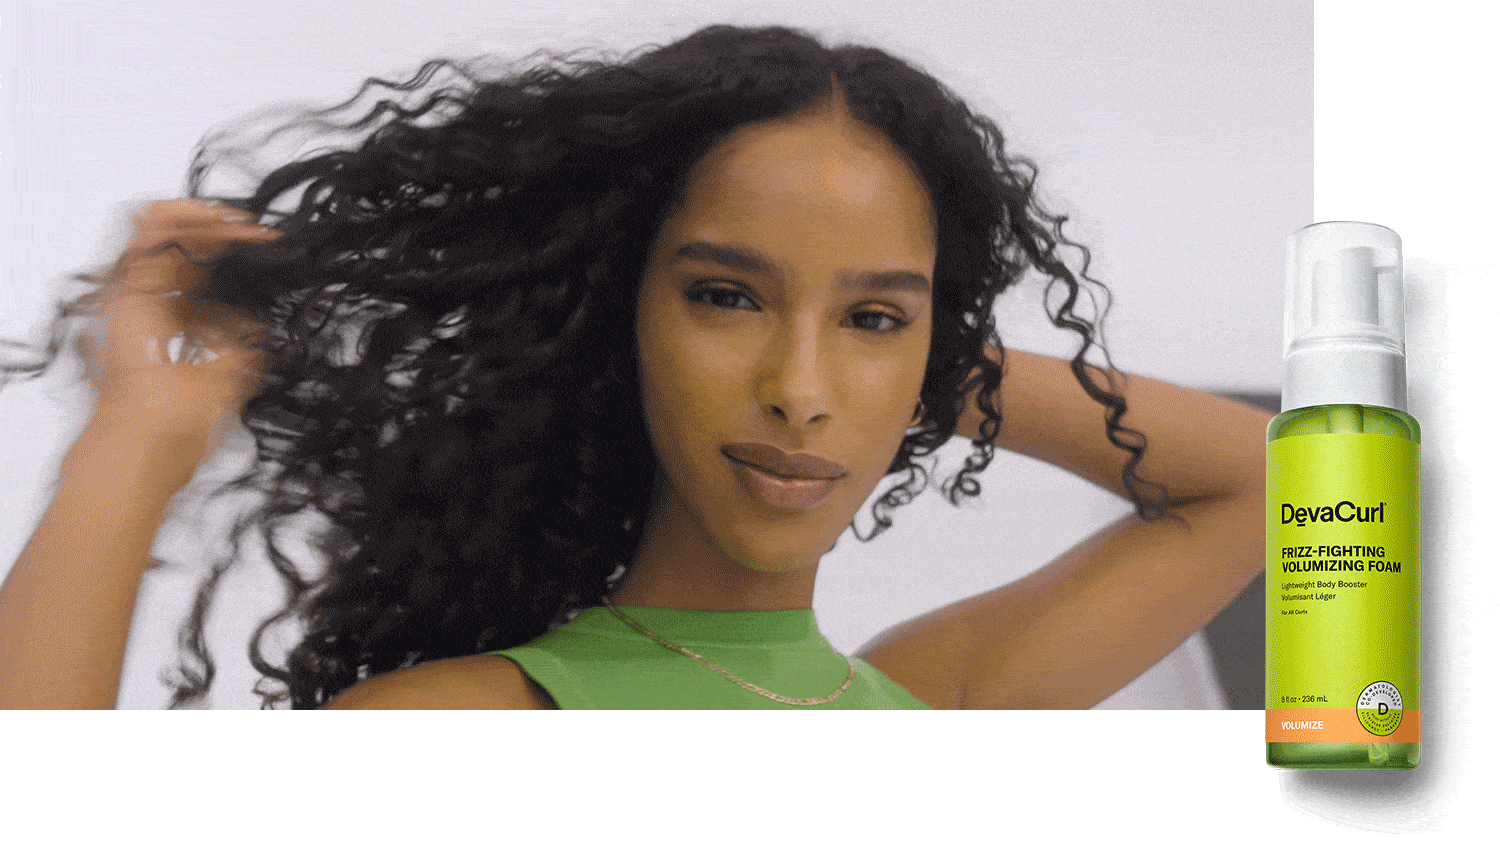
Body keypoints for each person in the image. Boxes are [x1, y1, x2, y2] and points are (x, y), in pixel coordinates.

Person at [0, 24, 1268, 709]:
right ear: (617, 326)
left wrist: (927, 360)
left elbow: (1282, 481)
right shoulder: (470, 730)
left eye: (874, 319)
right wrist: (135, 441)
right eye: (726, 296)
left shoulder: (939, 709)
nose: (799, 386)